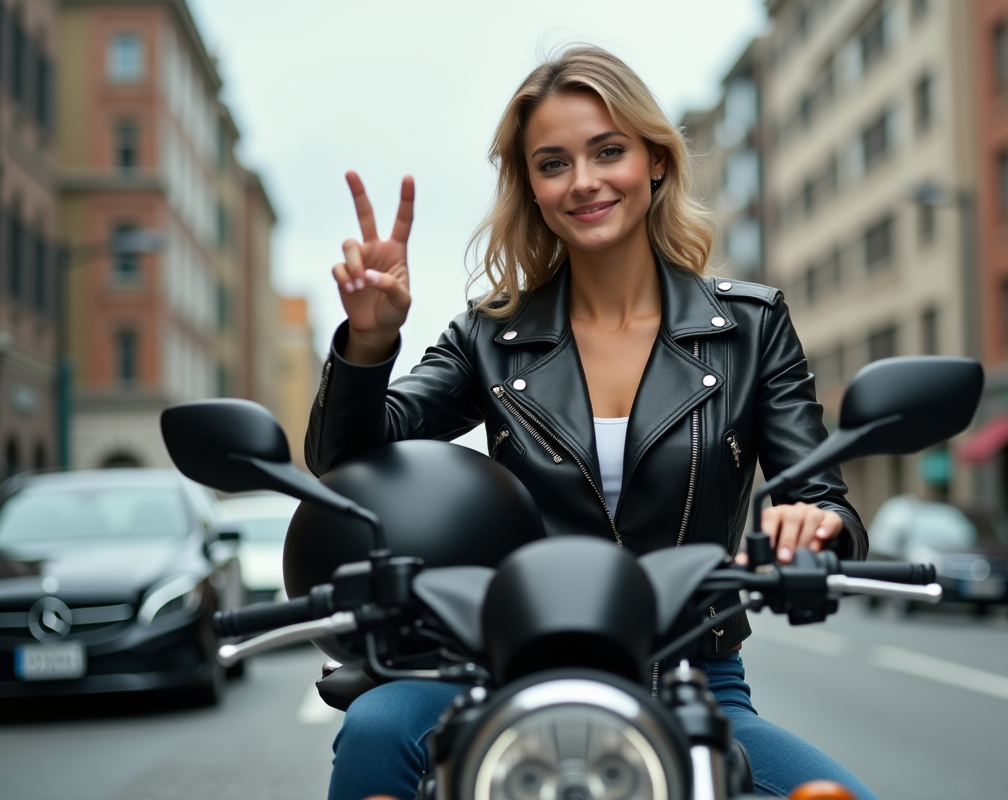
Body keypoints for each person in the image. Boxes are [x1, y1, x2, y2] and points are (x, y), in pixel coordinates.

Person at [306, 45, 878, 800]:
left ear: (655, 161)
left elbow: (823, 501)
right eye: (553, 163)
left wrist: (814, 527)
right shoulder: (489, 336)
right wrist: (370, 340)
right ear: (532, 188)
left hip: (691, 678)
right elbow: (349, 464)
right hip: (508, 672)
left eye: (608, 151)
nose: (583, 181)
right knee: (377, 727)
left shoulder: (751, 326)